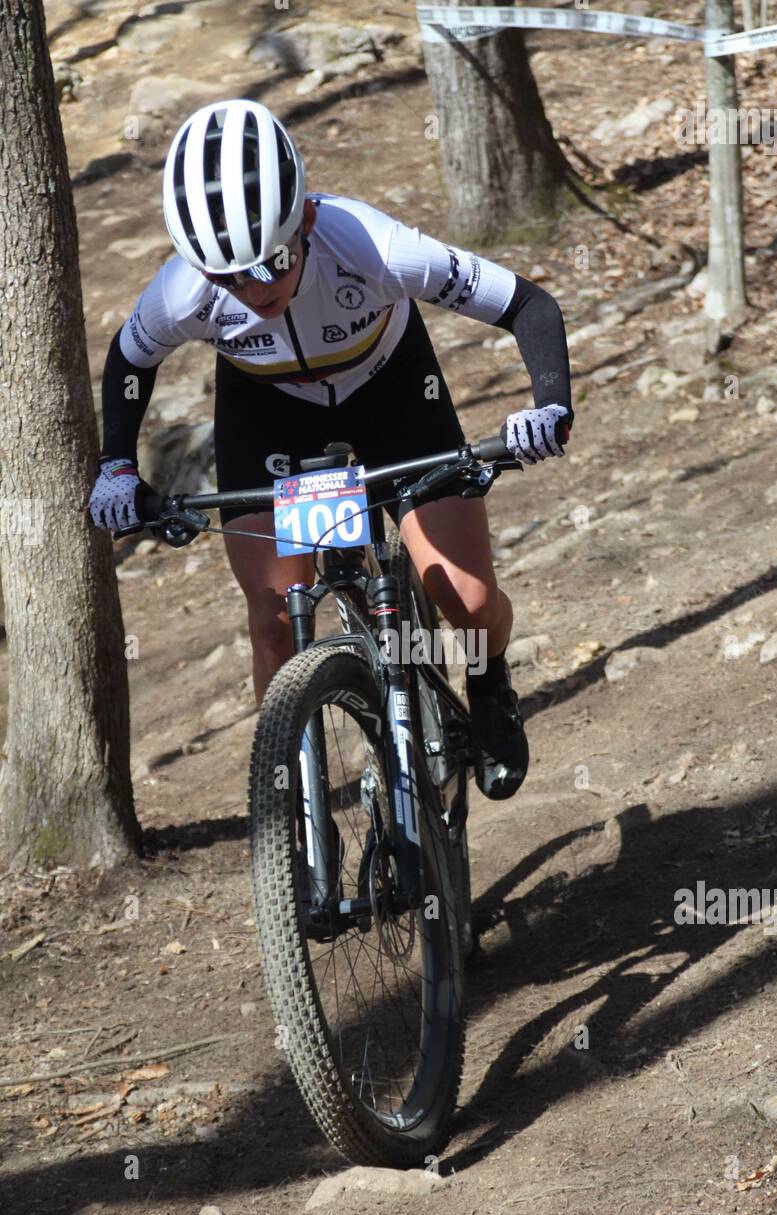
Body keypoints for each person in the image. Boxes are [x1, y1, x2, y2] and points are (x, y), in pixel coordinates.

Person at [88, 99, 573, 800]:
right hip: (267, 411)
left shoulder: (373, 246)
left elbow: (530, 306)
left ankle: (490, 678)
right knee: (272, 613)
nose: (252, 291)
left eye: (270, 263)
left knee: (463, 598)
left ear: (306, 222)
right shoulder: (183, 290)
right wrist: (116, 466)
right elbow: (129, 361)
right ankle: (294, 813)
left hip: (393, 392)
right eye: (228, 278)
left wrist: (550, 404)